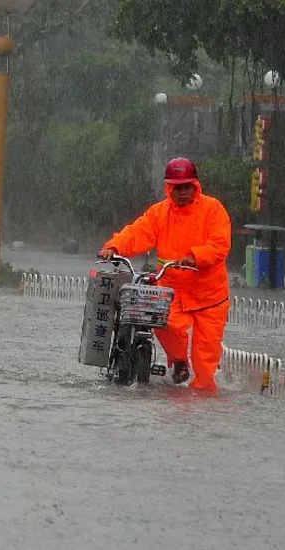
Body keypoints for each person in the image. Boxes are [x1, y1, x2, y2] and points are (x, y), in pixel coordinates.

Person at [98, 157, 231, 391]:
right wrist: (114, 247)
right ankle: (179, 363)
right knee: (165, 324)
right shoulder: (160, 213)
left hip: (210, 297)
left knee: (205, 361)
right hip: (172, 292)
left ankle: (203, 405)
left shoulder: (213, 210)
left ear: (195, 186)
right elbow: (137, 232)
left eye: (186, 187)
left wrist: (196, 256)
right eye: (177, 188)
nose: (182, 193)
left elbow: (220, 244)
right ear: (169, 188)